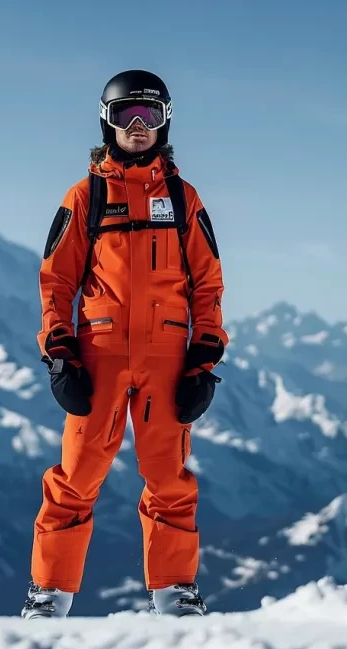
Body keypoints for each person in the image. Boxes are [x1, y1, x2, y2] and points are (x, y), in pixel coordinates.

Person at [21, 69, 228, 619]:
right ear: (106, 123)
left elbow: (207, 283)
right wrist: (60, 352)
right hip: (101, 356)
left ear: (166, 123)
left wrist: (203, 359)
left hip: (166, 358)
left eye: (150, 116)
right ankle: (48, 595)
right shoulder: (86, 196)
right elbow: (56, 281)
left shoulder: (184, 199)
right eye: (125, 116)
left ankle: (175, 594)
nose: (138, 128)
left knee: (169, 479)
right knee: (76, 476)